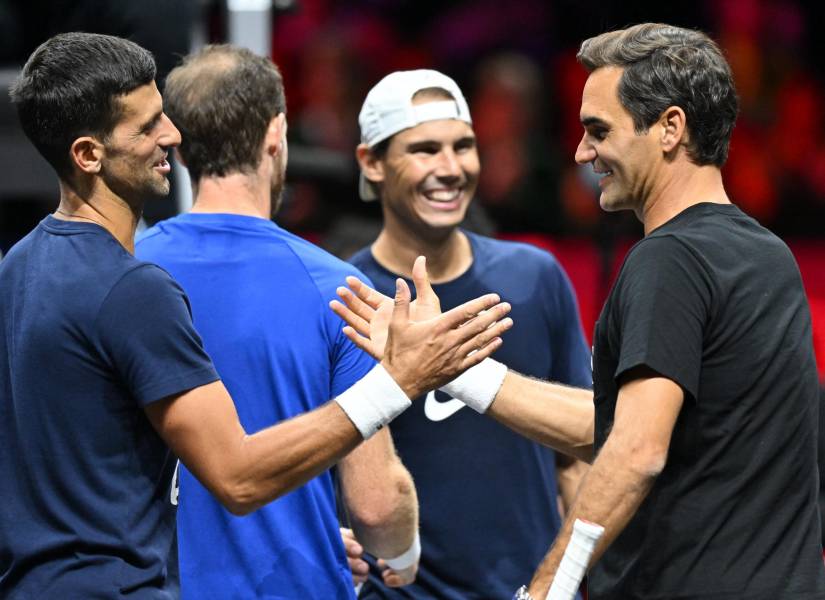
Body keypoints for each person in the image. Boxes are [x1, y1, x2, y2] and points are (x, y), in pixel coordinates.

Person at [0, 32, 512, 598]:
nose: (170, 134)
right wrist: (399, 381)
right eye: (147, 127)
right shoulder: (135, 289)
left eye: (165, 117)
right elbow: (241, 479)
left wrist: (310, 534)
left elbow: (88, 462)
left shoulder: (18, 266)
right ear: (88, 155)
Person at [333, 23, 825, 599]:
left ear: (670, 128)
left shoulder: (668, 260)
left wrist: (546, 589)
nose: (582, 152)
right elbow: (620, 424)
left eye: (598, 130)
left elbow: (636, 450)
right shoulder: (767, 254)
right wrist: (459, 370)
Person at [136, 44, 420, 599]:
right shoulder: (341, 293)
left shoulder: (126, 273)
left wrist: (310, 530)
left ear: (181, 146)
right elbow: (376, 504)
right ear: (276, 133)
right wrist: (402, 553)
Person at [345, 69, 592, 599]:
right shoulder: (345, 296)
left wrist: (571, 581)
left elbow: (577, 457)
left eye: (464, 146)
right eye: (426, 149)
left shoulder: (534, 278)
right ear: (371, 162)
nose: (451, 169)